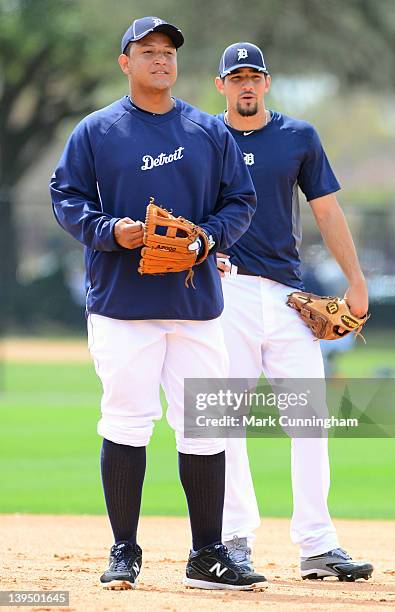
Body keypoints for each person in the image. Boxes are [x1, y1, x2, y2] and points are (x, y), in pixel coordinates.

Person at [50, 19, 268, 592]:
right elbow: (65, 197)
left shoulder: (206, 129)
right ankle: (124, 549)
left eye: (168, 52)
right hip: (123, 303)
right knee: (126, 420)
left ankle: (207, 554)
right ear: (125, 62)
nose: (161, 60)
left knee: (204, 427)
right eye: (147, 52)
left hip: (194, 302)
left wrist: (204, 240)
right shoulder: (97, 131)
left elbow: (240, 201)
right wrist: (110, 231)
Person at [214, 42, 374, 581]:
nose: (245, 85)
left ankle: (317, 545)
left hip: (288, 296)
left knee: (309, 421)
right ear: (221, 87)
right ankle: (232, 540)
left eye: (253, 76)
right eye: (235, 77)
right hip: (226, 292)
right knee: (223, 420)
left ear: (267, 82)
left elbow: (326, 210)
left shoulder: (298, 136)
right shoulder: (203, 137)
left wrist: (355, 279)